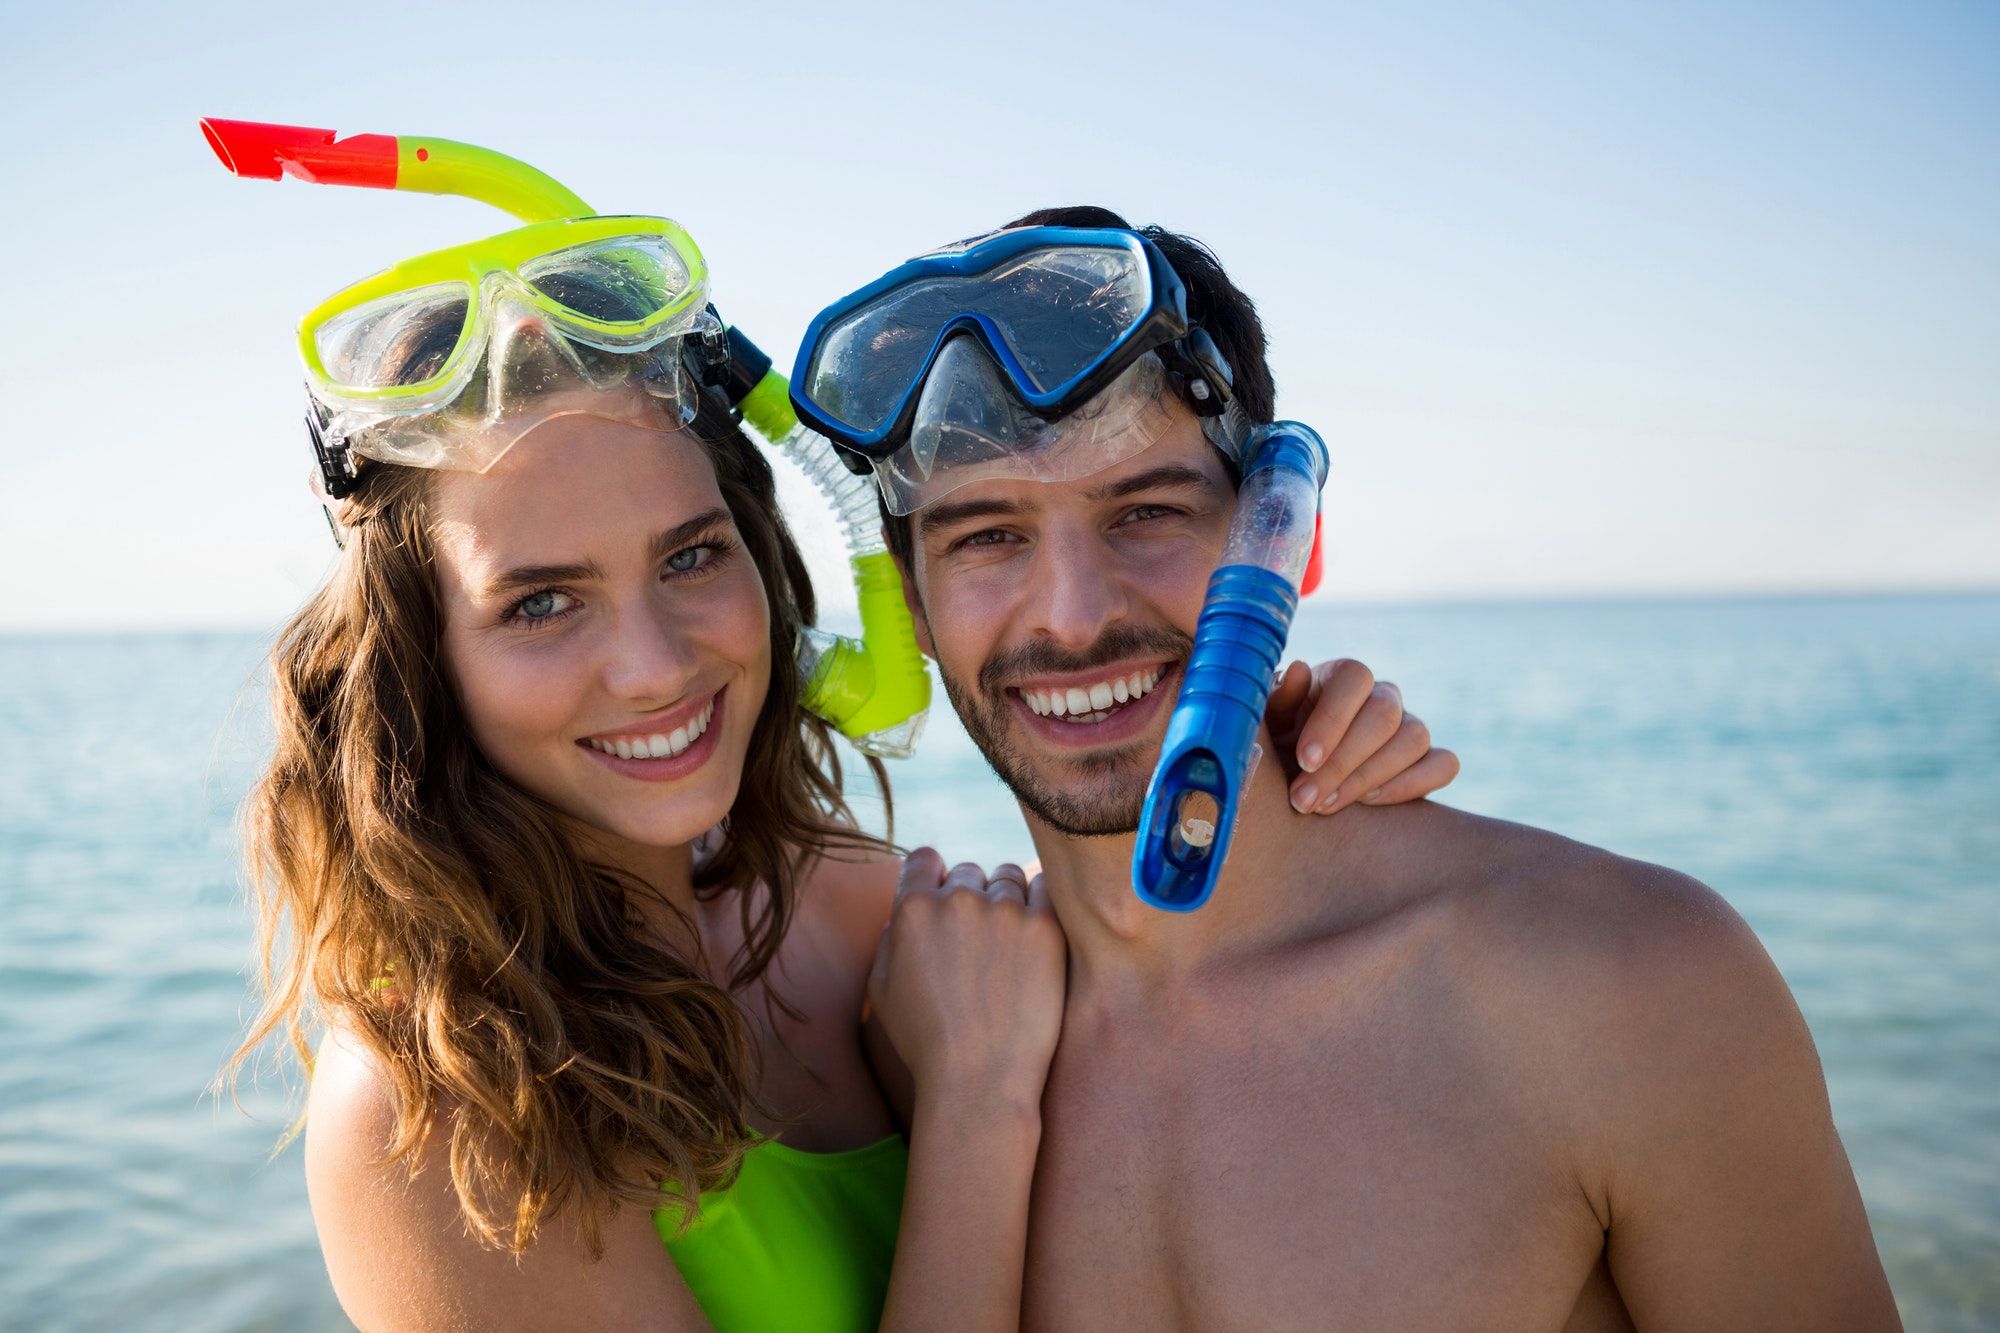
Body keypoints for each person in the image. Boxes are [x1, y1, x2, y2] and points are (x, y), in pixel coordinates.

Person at [208, 122, 1455, 1332]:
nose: (652, 666)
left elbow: (1183, 981)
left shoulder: (873, 916)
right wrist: (971, 1109)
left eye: (691, 557)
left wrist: (1279, 746)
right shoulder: (437, 1115)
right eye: (539, 602)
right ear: (427, 661)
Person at [805, 208, 1905, 1330]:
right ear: (914, 606)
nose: (1073, 616)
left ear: (1283, 540)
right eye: (986, 536)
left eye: (1143, 511)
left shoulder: (1620, 985)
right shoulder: (931, 1038)